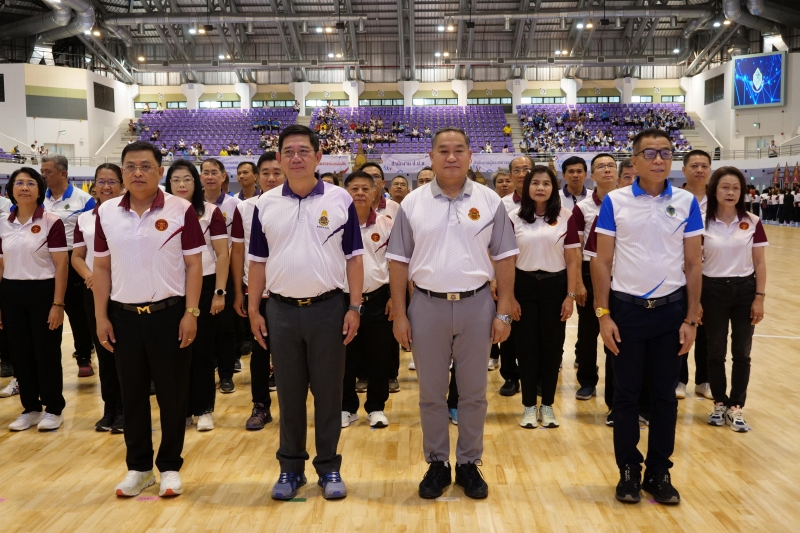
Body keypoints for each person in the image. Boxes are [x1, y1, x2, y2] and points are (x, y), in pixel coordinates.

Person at [387, 127, 518, 500]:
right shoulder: (412, 203)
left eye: (458, 149)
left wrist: (504, 309)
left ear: (470, 155)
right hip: (426, 305)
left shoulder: (491, 200)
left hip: (478, 305)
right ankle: (437, 463)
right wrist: (400, 314)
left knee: (474, 393)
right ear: (430, 156)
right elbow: (398, 262)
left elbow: (506, 257)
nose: (451, 157)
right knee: (431, 393)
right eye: (442, 150)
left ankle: (468, 463)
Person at [247, 124, 364, 501]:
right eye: (288, 152)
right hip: (280, 311)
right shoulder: (265, 204)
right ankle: (290, 469)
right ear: (279, 158)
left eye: (303, 151)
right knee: (290, 394)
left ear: (318, 156)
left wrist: (355, 307)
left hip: (329, 309)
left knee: (329, 394)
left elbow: (354, 259)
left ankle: (329, 468)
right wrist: (253, 309)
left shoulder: (340, 198)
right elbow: (257, 262)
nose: (296, 158)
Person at [593, 128, 703, 505]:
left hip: (670, 313)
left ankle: (659, 471)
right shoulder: (616, 201)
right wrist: (604, 314)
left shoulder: (687, 202)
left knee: (664, 399)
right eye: (651, 152)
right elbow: (602, 262)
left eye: (666, 152)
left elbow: (692, 263)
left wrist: (690, 318)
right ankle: (628, 470)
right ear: (635, 160)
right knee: (624, 398)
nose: (659, 159)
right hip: (626, 312)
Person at [93, 141, 205, 498]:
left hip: (169, 316)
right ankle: (139, 468)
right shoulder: (107, 212)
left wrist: (191, 312)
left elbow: (193, 265)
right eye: (130, 167)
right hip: (123, 317)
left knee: (172, 396)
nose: (137, 173)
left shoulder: (181, 209)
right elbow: (101, 266)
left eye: (145, 166)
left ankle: (169, 466)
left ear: (160, 170)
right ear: (122, 171)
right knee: (133, 395)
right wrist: (100, 317)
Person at [509, 165, 580, 429]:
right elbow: (507, 260)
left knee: (552, 349)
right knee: (526, 349)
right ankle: (529, 406)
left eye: (546, 183)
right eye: (535, 183)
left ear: (553, 188)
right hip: (523, 286)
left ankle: (547, 405)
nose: (541, 188)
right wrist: (510, 297)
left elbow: (572, 260)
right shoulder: (514, 217)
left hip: (555, 287)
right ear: (527, 187)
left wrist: (570, 295)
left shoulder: (566, 216)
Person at [0, 168, 68, 432]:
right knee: (20, 353)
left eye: (30, 183)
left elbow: (61, 265)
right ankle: (30, 408)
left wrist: (58, 303)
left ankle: (54, 408)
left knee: (46, 352)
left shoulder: (52, 221)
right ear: (11, 190)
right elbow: (2, 264)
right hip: (12, 293)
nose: (24, 187)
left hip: (43, 291)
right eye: (19, 183)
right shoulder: (3, 222)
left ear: (40, 190)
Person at [165, 161, 229, 432]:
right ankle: (183, 409)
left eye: (187, 180)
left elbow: (223, 254)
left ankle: (203, 408)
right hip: (171, 287)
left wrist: (219, 292)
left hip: (204, 285)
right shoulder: (163, 213)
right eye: (176, 180)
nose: (181, 185)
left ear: (197, 183)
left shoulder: (211, 213)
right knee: (176, 353)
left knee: (201, 351)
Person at [702, 167, 767, 433]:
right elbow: (692, 261)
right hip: (712, 290)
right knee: (715, 351)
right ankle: (719, 402)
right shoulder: (702, 221)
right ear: (714, 190)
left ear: (742, 192)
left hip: (744, 291)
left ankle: (736, 406)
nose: (730, 192)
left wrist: (759, 297)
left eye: (736, 188)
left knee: (742, 352)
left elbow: (760, 263)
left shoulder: (752, 221)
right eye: (725, 187)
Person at [231, 152, 285, 430]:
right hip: (259, 294)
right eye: (266, 173)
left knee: (294, 354)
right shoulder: (245, 208)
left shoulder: (297, 204)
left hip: (289, 292)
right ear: (257, 177)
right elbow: (238, 250)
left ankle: (295, 407)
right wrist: (241, 294)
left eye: (277, 172)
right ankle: (261, 405)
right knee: (260, 352)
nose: (271, 178)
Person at [72, 164, 125, 433]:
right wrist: (91, 278)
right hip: (94, 290)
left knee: (125, 355)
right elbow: (77, 257)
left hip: (125, 291)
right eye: (101, 181)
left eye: (112, 181)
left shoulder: (130, 215)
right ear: (94, 186)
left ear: (122, 185)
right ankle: (110, 409)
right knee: (104, 352)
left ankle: (127, 411)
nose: (106, 186)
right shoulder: (84, 219)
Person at [340, 171, 394, 429]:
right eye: (354, 188)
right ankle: (346, 407)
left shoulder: (386, 223)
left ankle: (376, 408)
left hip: (378, 299)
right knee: (344, 357)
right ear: (345, 192)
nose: (360, 193)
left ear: (375, 193)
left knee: (378, 357)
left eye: (365, 189)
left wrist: (395, 296)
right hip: (342, 300)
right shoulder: (336, 223)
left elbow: (396, 264)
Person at [41, 154, 96, 377]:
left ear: (63, 173)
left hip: (74, 259)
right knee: (47, 309)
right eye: (42, 172)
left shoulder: (84, 199)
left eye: (48, 172)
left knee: (78, 311)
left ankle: (83, 356)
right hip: (46, 260)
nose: (44, 176)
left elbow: (91, 234)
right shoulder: (39, 200)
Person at [572, 154, 618, 401]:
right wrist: (578, 281)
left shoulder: (627, 203)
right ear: (592, 175)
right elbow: (577, 248)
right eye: (601, 166)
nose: (607, 170)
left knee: (617, 331)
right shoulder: (583, 207)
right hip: (592, 274)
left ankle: (615, 386)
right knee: (588, 331)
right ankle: (587, 380)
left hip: (621, 277)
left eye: (611, 165)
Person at [200, 159, 240, 392]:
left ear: (223, 176)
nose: (210, 176)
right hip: (200, 273)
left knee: (225, 326)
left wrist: (225, 257)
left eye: (214, 172)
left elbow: (237, 240)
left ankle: (226, 374)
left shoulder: (234, 205)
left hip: (226, 270)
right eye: (205, 172)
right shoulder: (192, 204)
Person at [678, 150, 713, 400]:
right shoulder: (676, 199)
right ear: (684, 170)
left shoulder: (720, 200)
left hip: (712, 274)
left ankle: (705, 379)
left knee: (709, 330)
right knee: (682, 327)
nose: (699, 170)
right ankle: (679, 379)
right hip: (681, 273)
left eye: (704, 165)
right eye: (694, 165)